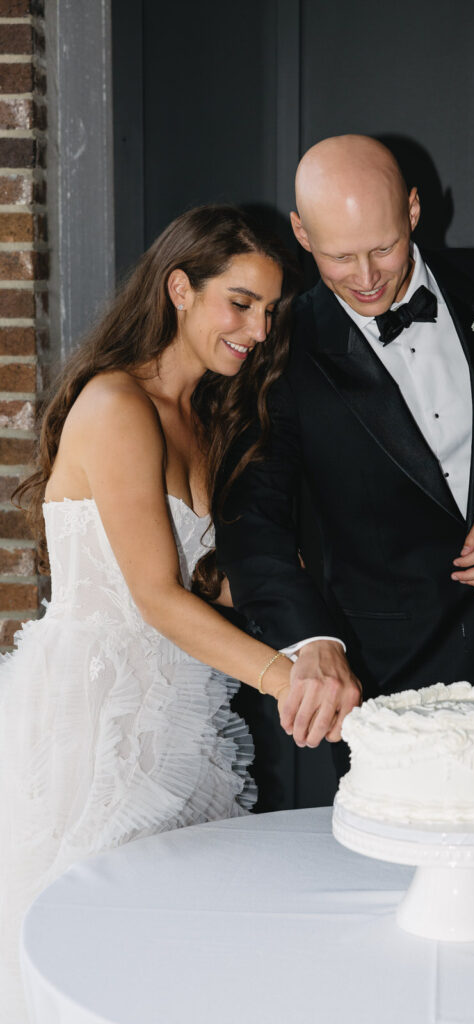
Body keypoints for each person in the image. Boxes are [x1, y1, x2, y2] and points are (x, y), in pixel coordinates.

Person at [217, 135, 474, 798]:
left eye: (383, 248)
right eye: (338, 256)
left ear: (413, 210)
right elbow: (256, 519)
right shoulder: (281, 347)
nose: (365, 277)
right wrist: (312, 643)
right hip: (386, 682)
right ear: (301, 232)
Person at [0, 205, 300, 1020]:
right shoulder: (113, 403)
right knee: (87, 950)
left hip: (178, 714)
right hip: (95, 720)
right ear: (179, 287)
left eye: (269, 312)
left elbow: (202, 584)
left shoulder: (209, 419)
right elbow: (154, 597)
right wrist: (289, 677)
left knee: (171, 956)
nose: (256, 329)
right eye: (239, 302)